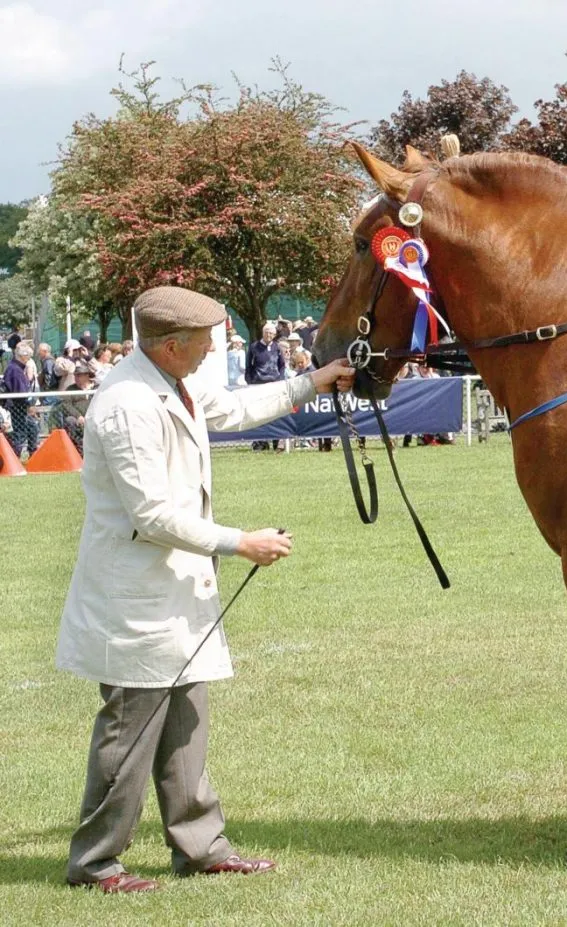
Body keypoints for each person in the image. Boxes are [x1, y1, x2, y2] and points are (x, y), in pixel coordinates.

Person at [55, 286, 355, 895]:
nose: (211, 350)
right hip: (135, 594)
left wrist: (315, 380)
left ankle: (199, 847)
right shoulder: (127, 404)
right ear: (170, 345)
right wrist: (240, 541)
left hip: (174, 590)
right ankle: (95, 863)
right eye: (203, 341)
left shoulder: (174, 383)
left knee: (186, 723)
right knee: (132, 729)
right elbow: (151, 515)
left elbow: (236, 409)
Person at [245, 322, 285, 450]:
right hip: (258, 385)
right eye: (267, 333)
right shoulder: (254, 347)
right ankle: (260, 442)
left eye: (272, 333)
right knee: (259, 415)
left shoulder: (277, 347)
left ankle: (276, 442)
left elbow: (282, 365)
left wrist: (280, 379)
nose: (269, 335)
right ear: (263, 333)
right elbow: (248, 366)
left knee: (275, 415)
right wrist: (250, 381)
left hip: (274, 384)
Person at [3, 342, 39, 458]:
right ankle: (14, 457)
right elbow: (21, 393)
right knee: (20, 434)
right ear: (22, 356)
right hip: (18, 408)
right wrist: (30, 405)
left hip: (18, 407)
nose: (29, 358)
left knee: (30, 428)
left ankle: (30, 454)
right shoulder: (16, 370)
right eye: (28, 355)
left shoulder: (14, 368)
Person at [58, 361, 96, 449]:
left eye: (79, 375)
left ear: (87, 375)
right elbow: (66, 404)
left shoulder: (96, 387)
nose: (76, 378)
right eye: (75, 375)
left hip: (94, 416)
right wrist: (78, 416)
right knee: (70, 420)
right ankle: (79, 447)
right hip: (78, 418)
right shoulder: (71, 389)